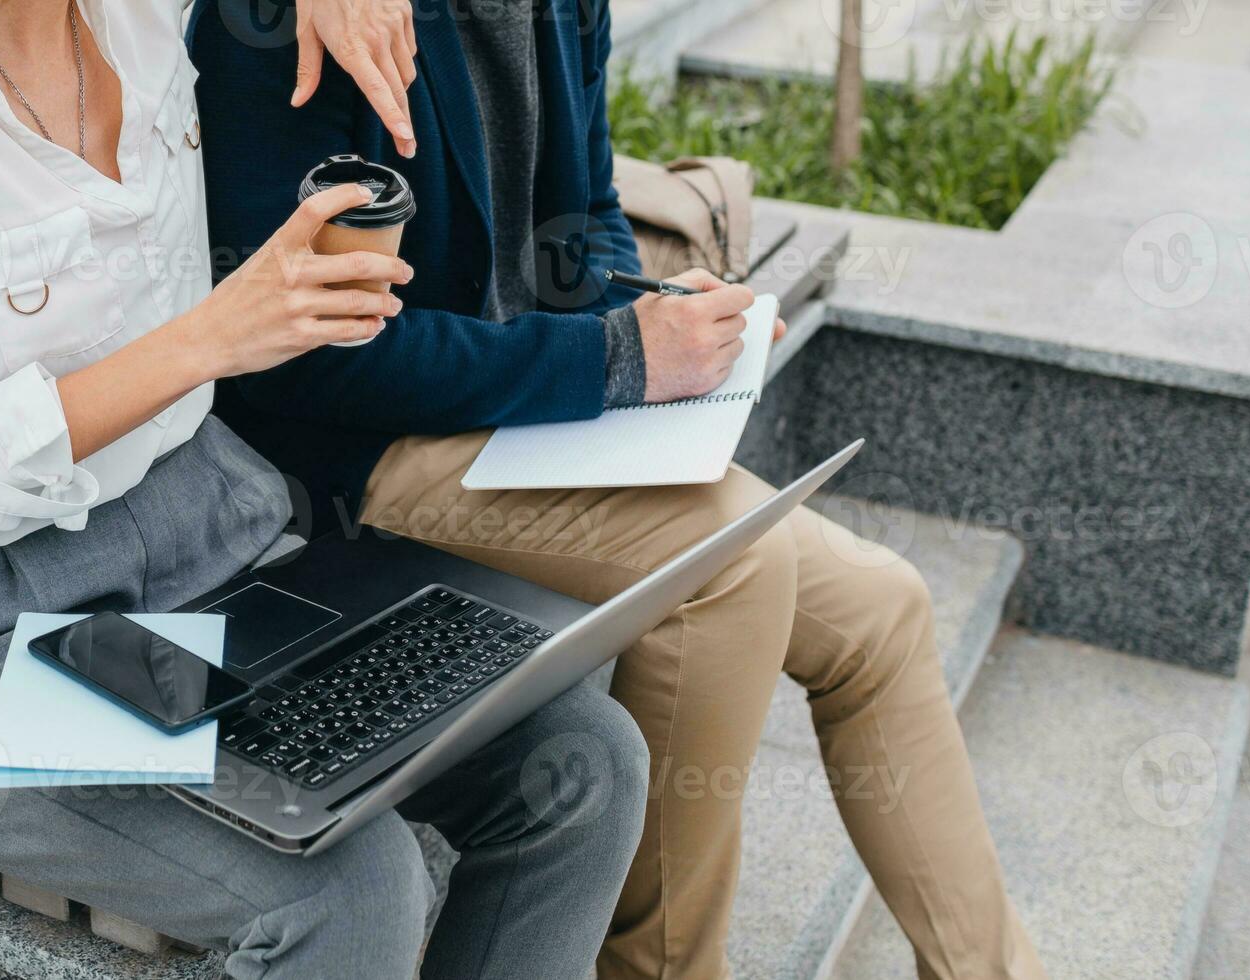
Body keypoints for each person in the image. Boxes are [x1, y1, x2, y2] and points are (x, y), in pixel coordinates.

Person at [0, 1, 651, 976]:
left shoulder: (136, 20)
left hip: (216, 547)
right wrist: (207, 338)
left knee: (584, 763)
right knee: (353, 888)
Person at [188, 1, 1046, 977]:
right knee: (732, 564)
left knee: (882, 605)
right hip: (362, 451)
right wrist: (611, 356)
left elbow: (587, 216)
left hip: (530, 409)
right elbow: (301, 360)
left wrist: (653, 316)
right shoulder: (293, 21)